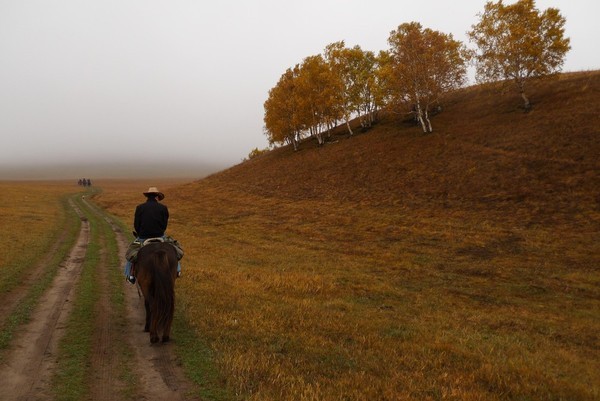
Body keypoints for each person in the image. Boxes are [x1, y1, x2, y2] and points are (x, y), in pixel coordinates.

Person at [124, 187, 182, 284]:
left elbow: (136, 224)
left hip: (143, 237)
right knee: (174, 250)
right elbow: (164, 225)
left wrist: (141, 233)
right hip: (160, 235)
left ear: (147, 196)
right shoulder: (163, 208)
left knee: (130, 253)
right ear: (157, 197)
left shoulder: (140, 207)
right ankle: (177, 270)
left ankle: (130, 275)